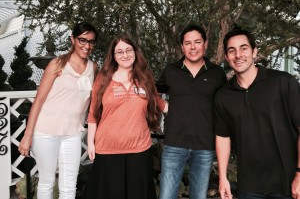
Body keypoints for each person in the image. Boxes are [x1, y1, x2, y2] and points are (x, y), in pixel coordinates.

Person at [215, 27, 300, 199]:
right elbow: (223, 137)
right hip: (249, 186)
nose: (238, 55)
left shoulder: (283, 82)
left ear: (254, 52)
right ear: (226, 57)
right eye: (232, 51)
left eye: (244, 48)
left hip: (287, 182)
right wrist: (223, 178)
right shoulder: (223, 96)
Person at [18, 22, 99, 199]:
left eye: (91, 42)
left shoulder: (93, 68)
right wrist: (27, 135)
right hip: (46, 131)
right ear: (73, 39)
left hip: (73, 134)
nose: (87, 46)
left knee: (69, 185)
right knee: (47, 182)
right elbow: (39, 101)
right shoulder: (58, 64)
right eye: (82, 40)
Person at [85, 34, 168, 199]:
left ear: (135, 52)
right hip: (107, 149)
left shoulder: (145, 77)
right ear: (114, 56)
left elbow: (159, 102)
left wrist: (188, 109)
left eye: (129, 50)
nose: (125, 55)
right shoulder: (103, 79)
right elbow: (93, 114)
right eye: (120, 52)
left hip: (139, 149)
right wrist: (90, 143)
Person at [156, 24, 227, 199]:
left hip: (204, 146)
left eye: (197, 42)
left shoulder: (217, 73)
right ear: (182, 46)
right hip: (174, 144)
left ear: (205, 44)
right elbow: (151, 93)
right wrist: (163, 106)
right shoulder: (171, 71)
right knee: (166, 196)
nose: (193, 47)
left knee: (199, 196)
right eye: (188, 43)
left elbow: (225, 105)